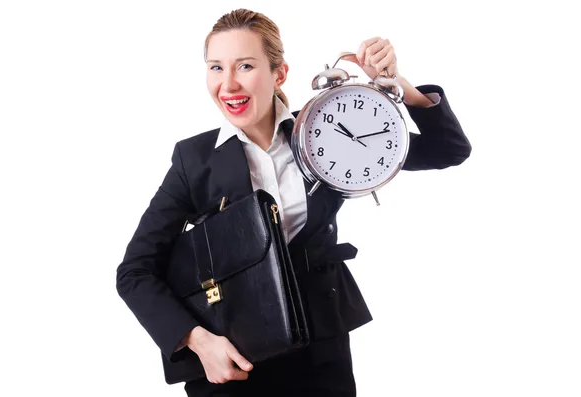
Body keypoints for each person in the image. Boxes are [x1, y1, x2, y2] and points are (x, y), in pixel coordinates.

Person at [116, 8, 472, 397]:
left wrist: (393, 84)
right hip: (233, 362)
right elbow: (135, 271)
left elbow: (448, 150)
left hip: (321, 358)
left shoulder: (327, 128)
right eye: (216, 68)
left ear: (279, 74)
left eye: (245, 66)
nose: (228, 84)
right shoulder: (194, 160)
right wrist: (199, 342)